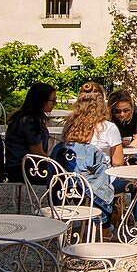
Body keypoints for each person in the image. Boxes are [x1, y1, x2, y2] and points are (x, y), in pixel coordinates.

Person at [53, 91, 125, 226]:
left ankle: (86, 225)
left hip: (70, 182)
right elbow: (118, 163)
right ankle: (132, 227)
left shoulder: (69, 125)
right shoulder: (108, 127)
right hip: (96, 184)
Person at [4, 82, 56, 183]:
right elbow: (37, 153)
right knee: (65, 176)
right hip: (24, 170)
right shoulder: (30, 122)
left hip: (16, 167)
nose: (55, 104)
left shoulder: (22, 116)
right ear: (41, 101)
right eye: (53, 100)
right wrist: (56, 163)